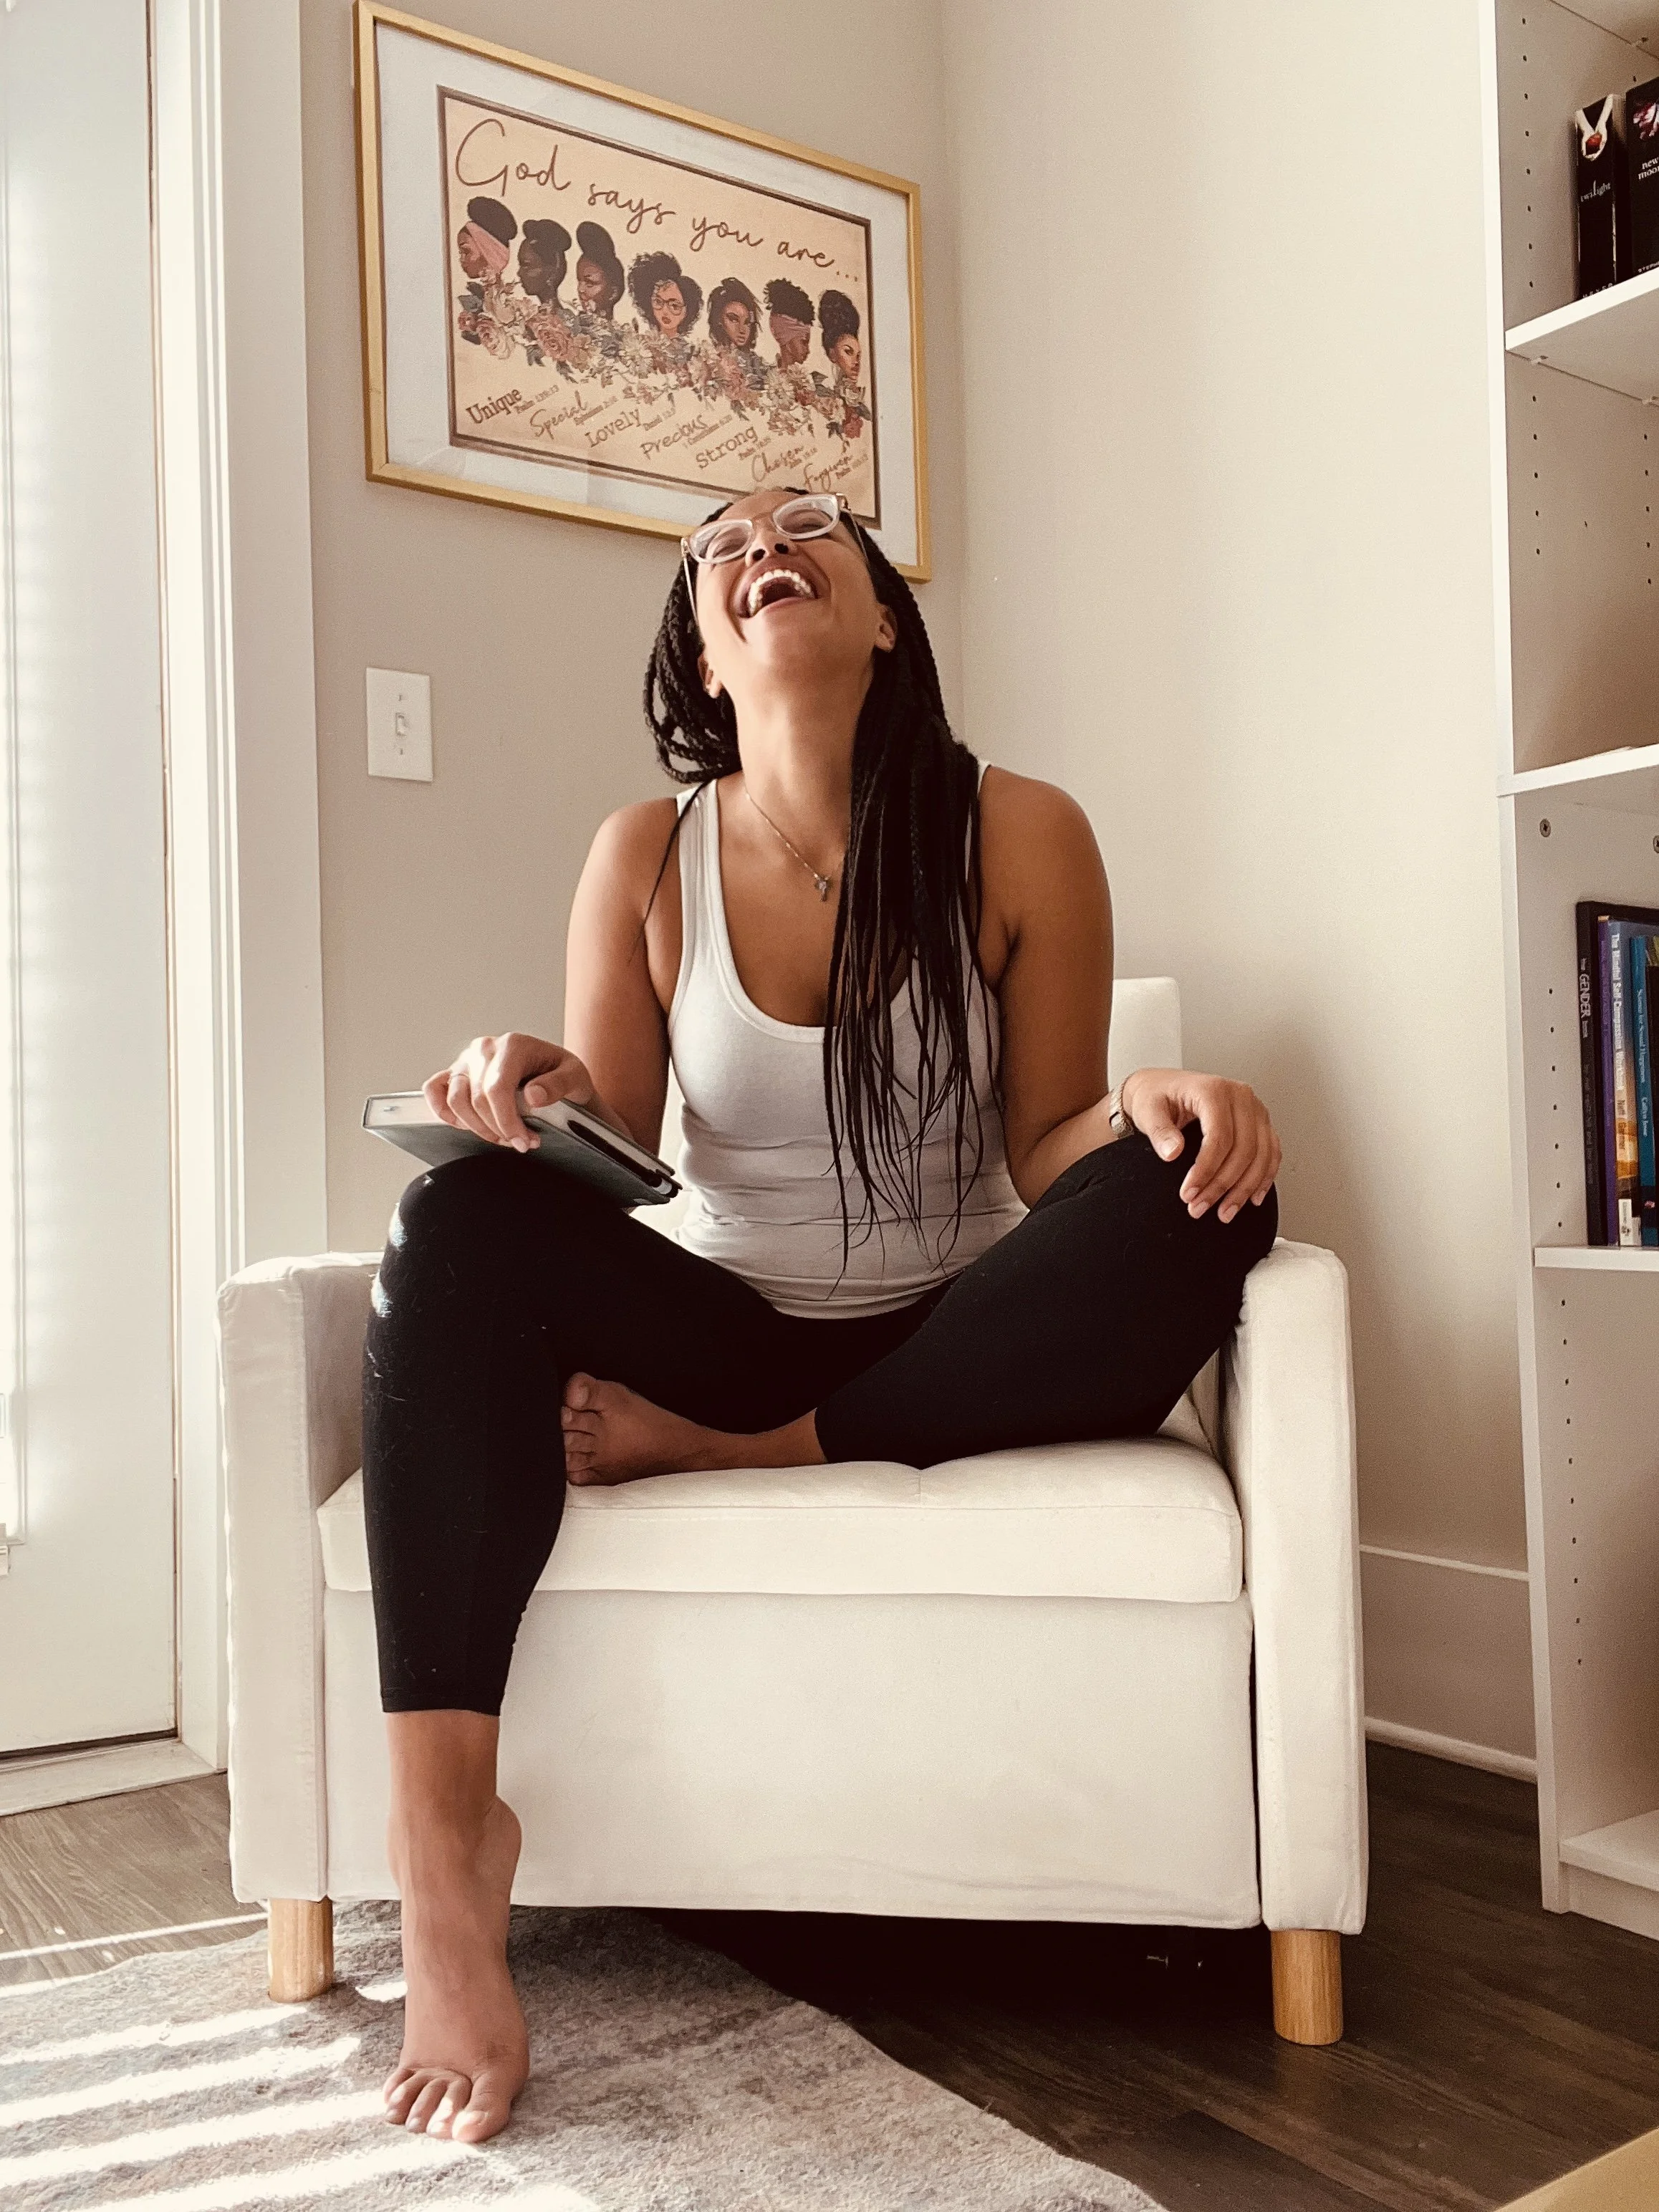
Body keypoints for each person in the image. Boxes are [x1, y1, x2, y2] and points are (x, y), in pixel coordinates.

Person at [362, 486, 1282, 2145]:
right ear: (703, 657)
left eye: (807, 528)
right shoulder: (642, 856)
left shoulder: (1018, 828)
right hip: (720, 1317)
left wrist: (1144, 1097)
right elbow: (617, 1160)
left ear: (877, 621)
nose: (762, 544)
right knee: (458, 1210)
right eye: (720, 548)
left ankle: (747, 1457)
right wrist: (538, 1086)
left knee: (1195, 1188)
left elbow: (1045, 1139)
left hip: (952, 1330)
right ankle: (442, 1853)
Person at [626, 249, 703, 347]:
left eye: (674, 306)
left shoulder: (693, 354)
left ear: (687, 310)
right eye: (658, 302)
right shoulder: (642, 346)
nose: (665, 311)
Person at [572, 221, 625, 322]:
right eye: (579, 281)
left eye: (590, 284)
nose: (580, 289)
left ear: (614, 293)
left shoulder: (625, 335)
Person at [764, 276, 814, 367]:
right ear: (786, 339)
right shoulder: (765, 377)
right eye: (804, 342)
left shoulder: (811, 379)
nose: (808, 351)